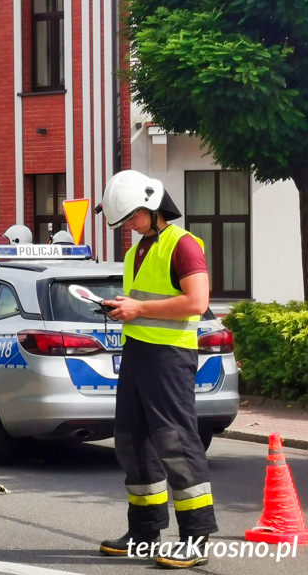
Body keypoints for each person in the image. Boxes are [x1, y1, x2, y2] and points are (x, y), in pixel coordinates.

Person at [98, 169, 216, 569]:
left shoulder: (183, 245)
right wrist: (123, 310)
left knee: (176, 443)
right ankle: (144, 532)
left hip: (169, 358)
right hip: (137, 353)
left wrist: (139, 308)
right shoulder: (137, 252)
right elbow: (144, 306)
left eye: (132, 218)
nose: (129, 227)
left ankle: (196, 539)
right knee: (132, 441)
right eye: (124, 222)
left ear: (153, 206)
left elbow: (197, 302)